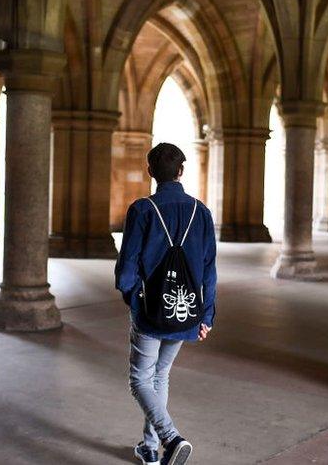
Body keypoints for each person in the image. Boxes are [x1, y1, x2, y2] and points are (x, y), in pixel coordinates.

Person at [115, 142, 217, 465]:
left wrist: (134, 299)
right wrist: (207, 315)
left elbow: (127, 269)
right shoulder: (201, 212)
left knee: (139, 379)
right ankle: (150, 449)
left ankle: (170, 438)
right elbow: (209, 268)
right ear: (181, 171)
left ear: (151, 172)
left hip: (151, 311)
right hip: (186, 311)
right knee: (160, 375)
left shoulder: (142, 210)